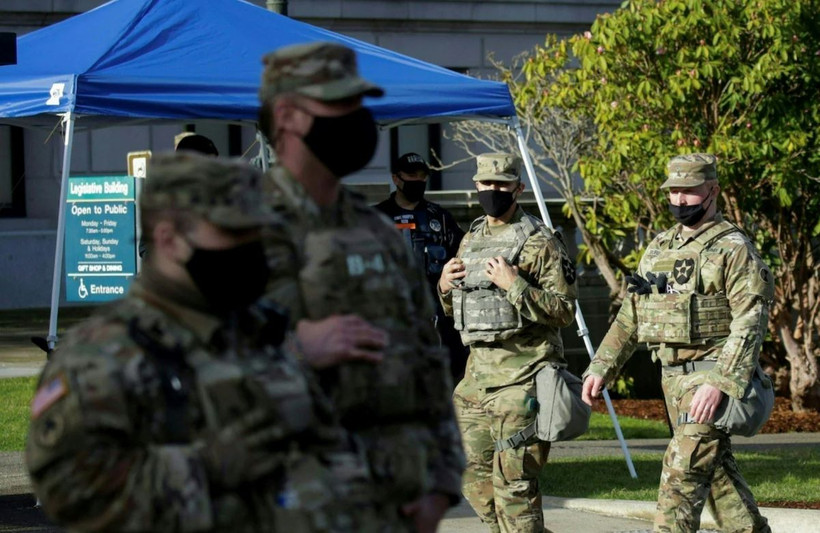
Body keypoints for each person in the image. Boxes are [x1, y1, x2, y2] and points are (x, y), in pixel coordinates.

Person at [26, 153, 374, 532]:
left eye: (258, 233)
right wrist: (210, 464)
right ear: (169, 240)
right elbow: (70, 489)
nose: (252, 248)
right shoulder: (100, 354)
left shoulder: (264, 331)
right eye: (232, 234)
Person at [256, 41, 465, 533]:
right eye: (336, 106)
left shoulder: (374, 231)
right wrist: (295, 347)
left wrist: (440, 478)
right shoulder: (233, 226)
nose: (354, 122)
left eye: (356, 107)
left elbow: (424, 354)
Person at [581, 153, 774, 533]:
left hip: (709, 380)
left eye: (690, 190)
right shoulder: (659, 247)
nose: (680, 199)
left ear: (712, 190)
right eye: (674, 191)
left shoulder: (733, 248)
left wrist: (719, 382)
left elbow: (750, 321)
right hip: (672, 380)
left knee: (680, 479)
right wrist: (602, 367)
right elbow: (632, 315)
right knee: (720, 483)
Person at [438, 153, 578, 533]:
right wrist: (444, 287)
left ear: (519, 188)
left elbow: (565, 310)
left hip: (523, 379)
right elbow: (459, 308)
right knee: (468, 474)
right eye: (487, 183)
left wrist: (515, 285)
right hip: (476, 381)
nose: (493, 190)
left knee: (514, 486)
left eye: (502, 184)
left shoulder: (541, 241)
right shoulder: (472, 238)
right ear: (476, 185)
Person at [375, 152, 469, 382]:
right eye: (411, 175)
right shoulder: (375, 218)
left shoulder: (440, 218)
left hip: (437, 321)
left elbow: (463, 257)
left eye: (422, 176)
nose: (417, 180)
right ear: (396, 178)